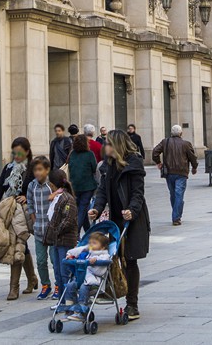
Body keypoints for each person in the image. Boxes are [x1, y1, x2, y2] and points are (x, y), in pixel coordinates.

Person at [88, 130, 148, 322]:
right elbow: (102, 192)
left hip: (133, 218)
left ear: (117, 145)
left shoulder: (134, 164)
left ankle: (132, 304)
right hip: (115, 218)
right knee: (114, 258)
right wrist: (96, 209)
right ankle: (117, 291)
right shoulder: (107, 166)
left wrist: (132, 209)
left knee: (130, 259)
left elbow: (138, 193)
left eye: (108, 144)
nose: (105, 148)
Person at [0, 137, 38, 300]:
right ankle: (32, 278)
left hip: (24, 213)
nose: (16, 156)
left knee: (16, 245)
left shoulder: (32, 169)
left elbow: (39, 188)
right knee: (20, 246)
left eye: (19, 152)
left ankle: (13, 288)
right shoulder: (8, 168)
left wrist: (27, 198)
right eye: (14, 152)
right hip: (8, 211)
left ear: (27, 152)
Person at [151, 124, 198, 226]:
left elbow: (155, 151)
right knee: (178, 194)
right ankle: (176, 217)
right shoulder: (186, 144)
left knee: (173, 194)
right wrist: (194, 167)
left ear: (171, 133)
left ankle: (176, 214)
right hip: (181, 173)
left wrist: (158, 162)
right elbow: (192, 157)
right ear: (181, 133)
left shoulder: (165, 142)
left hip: (169, 173)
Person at [60, 232, 112, 319]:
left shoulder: (104, 255)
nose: (91, 245)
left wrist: (96, 260)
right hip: (81, 279)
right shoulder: (88, 252)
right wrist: (70, 255)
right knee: (70, 285)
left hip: (93, 283)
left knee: (84, 287)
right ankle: (69, 309)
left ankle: (81, 311)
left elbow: (101, 269)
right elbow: (77, 250)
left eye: (94, 243)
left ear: (102, 247)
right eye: (90, 242)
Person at [44, 169, 78, 299]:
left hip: (65, 241)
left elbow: (68, 220)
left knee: (65, 273)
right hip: (58, 241)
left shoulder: (67, 199)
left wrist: (56, 232)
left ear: (52, 185)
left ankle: (69, 300)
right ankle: (63, 300)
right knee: (58, 272)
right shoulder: (58, 197)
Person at [26, 156, 56, 299]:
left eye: (40, 169)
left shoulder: (52, 185)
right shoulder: (32, 186)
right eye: (35, 170)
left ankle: (59, 285)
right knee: (41, 260)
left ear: (47, 170)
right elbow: (30, 205)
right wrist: (34, 221)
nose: (37, 173)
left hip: (53, 231)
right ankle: (46, 285)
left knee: (55, 259)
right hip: (39, 230)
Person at [68, 134, 98, 234]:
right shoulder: (89, 154)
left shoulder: (72, 154)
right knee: (82, 208)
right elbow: (94, 168)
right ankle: (76, 233)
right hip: (87, 186)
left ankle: (88, 232)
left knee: (81, 208)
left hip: (74, 186)